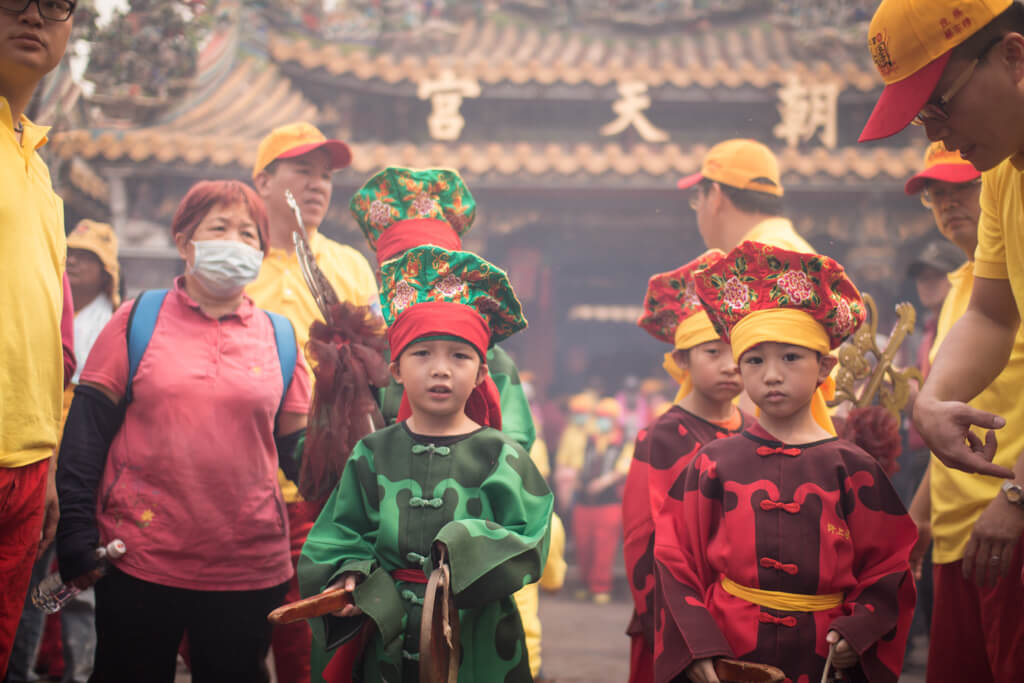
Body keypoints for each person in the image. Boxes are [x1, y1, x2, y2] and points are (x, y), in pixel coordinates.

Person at [54, 180, 311, 683]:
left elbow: (301, 457)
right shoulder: (137, 319)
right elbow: (86, 435)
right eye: (219, 228)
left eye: (249, 233)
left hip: (248, 565)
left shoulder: (281, 337)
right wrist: (76, 533)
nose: (236, 242)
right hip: (139, 560)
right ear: (183, 241)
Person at [654, 241, 917, 683]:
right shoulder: (712, 463)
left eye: (790, 357)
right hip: (729, 650)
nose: (771, 374)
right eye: (754, 360)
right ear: (740, 370)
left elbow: (889, 565)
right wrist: (699, 647)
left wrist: (858, 630)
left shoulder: (852, 468)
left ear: (823, 367)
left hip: (824, 656)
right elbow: (674, 559)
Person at [297, 245, 552, 682]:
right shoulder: (372, 453)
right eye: (422, 354)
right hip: (384, 630)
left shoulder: (501, 455)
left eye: (459, 356)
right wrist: (348, 574)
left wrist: (462, 546)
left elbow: (531, 540)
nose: (440, 370)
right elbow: (337, 534)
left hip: (475, 634)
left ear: (482, 374)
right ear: (395, 370)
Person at [858, 0, 1024, 484]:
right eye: (919, 118)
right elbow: (993, 313)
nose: (935, 133)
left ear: (1013, 58)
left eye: (939, 103)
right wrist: (932, 400)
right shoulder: (999, 174)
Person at [248, 121, 378, 683]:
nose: (318, 185)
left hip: (322, 486)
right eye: (302, 170)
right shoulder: (237, 262)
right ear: (262, 179)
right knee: (228, 643)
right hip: (241, 482)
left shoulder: (349, 265)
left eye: (326, 176)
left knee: (311, 649)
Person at [902, 141, 1024, 683]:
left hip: (1005, 527)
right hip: (957, 537)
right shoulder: (964, 293)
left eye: (961, 187)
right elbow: (953, 422)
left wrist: (1017, 497)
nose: (948, 204)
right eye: (935, 195)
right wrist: (921, 518)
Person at [623, 251, 751, 683]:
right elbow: (645, 542)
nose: (730, 364)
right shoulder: (662, 437)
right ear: (681, 360)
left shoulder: (755, 431)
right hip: (676, 618)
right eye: (713, 352)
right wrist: (682, 636)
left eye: (742, 352)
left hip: (745, 612)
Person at [350, 166, 537, 456]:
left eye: (432, 268)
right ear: (384, 281)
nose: (420, 281)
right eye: (405, 268)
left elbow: (515, 446)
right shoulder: (364, 352)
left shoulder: (487, 356)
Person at [8, 220, 120, 683]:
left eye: (87, 257)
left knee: (80, 570)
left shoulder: (116, 324)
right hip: (36, 445)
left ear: (107, 273)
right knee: (31, 575)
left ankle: (79, 669)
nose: (73, 261)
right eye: (69, 253)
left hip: (81, 462)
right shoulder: (47, 305)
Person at [1, 0, 76, 671]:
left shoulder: (40, 169)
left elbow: (46, 331)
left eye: (54, 5)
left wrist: (47, 461)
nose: (32, 17)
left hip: (26, 464)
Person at [677, 139, 814, 254]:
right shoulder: (788, 249)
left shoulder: (758, 261)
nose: (698, 209)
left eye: (698, 198)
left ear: (714, 196)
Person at [572, 396, 633, 605]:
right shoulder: (589, 440)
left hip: (608, 503)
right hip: (584, 501)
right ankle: (584, 583)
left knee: (604, 547)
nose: (601, 421)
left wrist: (603, 482)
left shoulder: (624, 443)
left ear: (616, 419)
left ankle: (601, 586)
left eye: (606, 417)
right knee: (583, 544)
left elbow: (623, 470)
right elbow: (575, 462)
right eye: (599, 417)